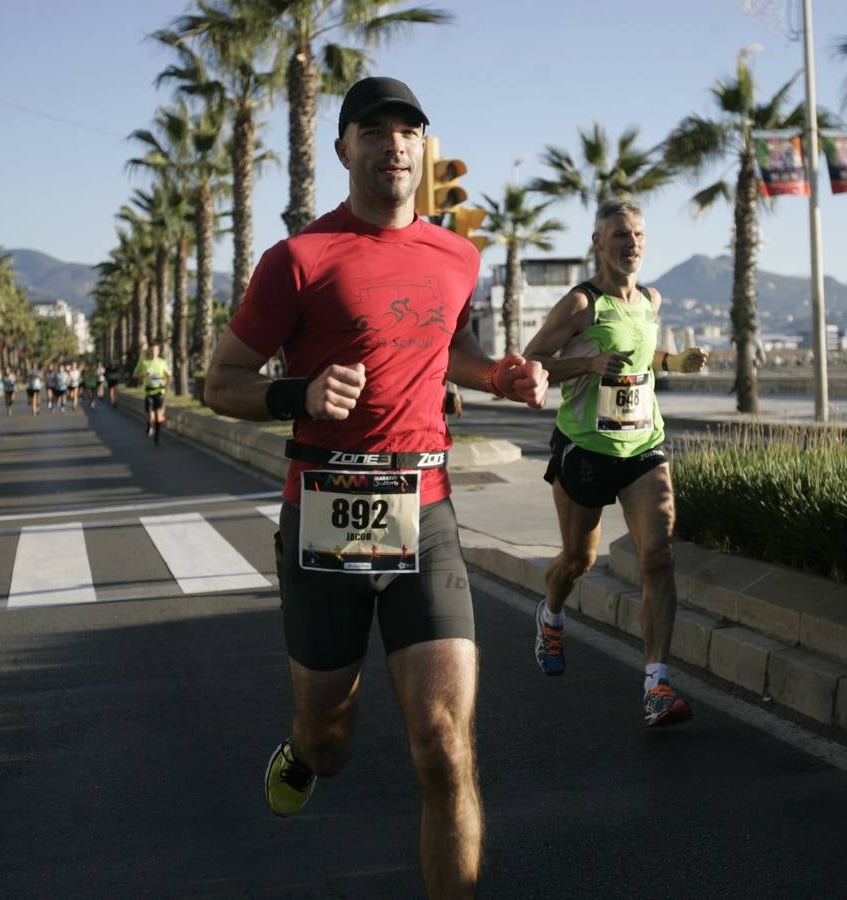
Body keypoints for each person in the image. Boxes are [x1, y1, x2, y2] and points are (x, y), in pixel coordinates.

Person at [204, 75, 547, 897]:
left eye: (408, 130)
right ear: (343, 148)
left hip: (424, 512)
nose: (393, 142)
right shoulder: (297, 260)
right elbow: (222, 382)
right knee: (332, 741)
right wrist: (299, 393)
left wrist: (502, 374)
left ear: (423, 149)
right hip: (325, 516)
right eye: (374, 129)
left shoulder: (456, 255)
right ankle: (302, 748)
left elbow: (448, 346)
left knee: (444, 744)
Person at [522, 197, 709, 728]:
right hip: (585, 448)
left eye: (640, 236)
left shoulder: (651, 299)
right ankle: (551, 615)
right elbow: (528, 362)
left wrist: (674, 362)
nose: (633, 245)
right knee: (578, 560)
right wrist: (585, 362)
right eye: (621, 236)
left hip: (643, 447)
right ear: (598, 244)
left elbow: (640, 352)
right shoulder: (581, 305)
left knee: (658, 557)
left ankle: (656, 685)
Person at [133, 342, 171, 444]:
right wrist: (145, 374)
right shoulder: (144, 362)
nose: (154, 352)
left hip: (160, 391)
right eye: (152, 350)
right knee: (150, 414)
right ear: (149, 351)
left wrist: (166, 384)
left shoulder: (162, 362)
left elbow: (168, 375)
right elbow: (135, 374)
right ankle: (149, 425)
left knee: (158, 416)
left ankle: (157, 437)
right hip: (149, 391)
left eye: (155, 350)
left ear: (158, 351)